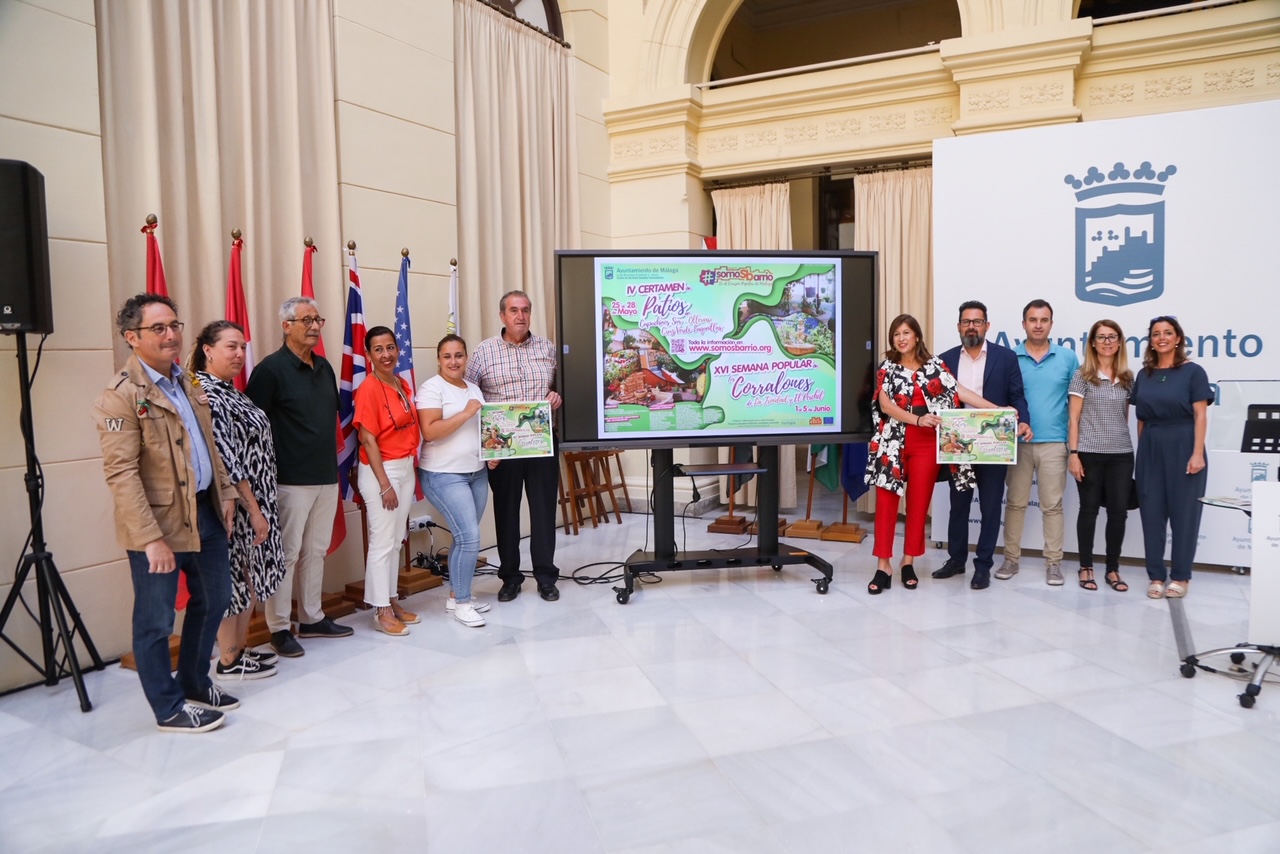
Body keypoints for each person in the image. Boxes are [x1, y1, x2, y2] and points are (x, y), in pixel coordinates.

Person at [92, 294, 239, 733]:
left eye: (174, 325)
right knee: (156, 620)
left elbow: (209, 446)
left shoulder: (187, 382)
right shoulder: (119, 397)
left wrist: (227, 492)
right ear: (132, 338)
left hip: (206, 511)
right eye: (158, 328)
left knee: (214, 598)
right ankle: (168, 707)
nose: (171, 334)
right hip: (156, 523)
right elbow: (121, 473)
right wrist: (150, 537)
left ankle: (195, 682)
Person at [245, 297, 353, 657]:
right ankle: (278, 627)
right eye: (305, 320)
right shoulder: (270, 370)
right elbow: (252, 428)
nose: (314, 326)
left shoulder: (324, 368)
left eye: (317, 319)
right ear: (285, 325)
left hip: (325, 475)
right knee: (287, 554)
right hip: (288, 481)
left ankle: (311, 616)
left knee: (316, 551)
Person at [865, 314, 994, 594]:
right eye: (896, 334)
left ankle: (908, 561)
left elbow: (960, 391)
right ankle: (882, 564)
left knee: (918, 504)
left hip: (926, 444)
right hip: (892, 443)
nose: (901, 338)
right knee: (886, 504)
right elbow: (886, 406)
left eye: (906, 333)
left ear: (917, 337)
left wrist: (997, 410)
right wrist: (918, 419)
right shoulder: (886, 368)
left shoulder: (935, 366)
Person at [189, 321, 285, 679]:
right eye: (231, 347)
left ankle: (239, 651)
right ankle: (228, 659)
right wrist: (255, 510)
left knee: (251, 577)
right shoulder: (207, 394)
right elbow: (230, 460)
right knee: (237, 579)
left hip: (258, 499)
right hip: (239, 507)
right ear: (208, 350)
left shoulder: (231, 390)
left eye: (243, 347)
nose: (240, 355)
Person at [465, 290, 562, 602]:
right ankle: (510, 578)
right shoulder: (483, 352)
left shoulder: (548, 348)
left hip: (541, 444)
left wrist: (558, 396)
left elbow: (561, 387)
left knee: (544, 511)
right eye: (514, 310)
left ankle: (546, 576)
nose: (520, 316)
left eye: (525, 310)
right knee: (506, 512)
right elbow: (468, 396)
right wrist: (483, 449)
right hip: (503, 449)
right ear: (502, 316)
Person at [935, 300, 1031, 590]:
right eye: (966, 321)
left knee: (990, 506)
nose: (971, 326)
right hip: (959, 445)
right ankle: (956, 560)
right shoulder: (945, 360)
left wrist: (1023, 421)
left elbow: (1017, 396)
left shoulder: (1005, 358)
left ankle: (983, 566)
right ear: (959, 326)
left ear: (987, 326)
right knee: (959, 505)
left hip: (993, 444)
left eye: (977, 321)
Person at [999, 300, 1079, 586]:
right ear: (1023, 324)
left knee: (1052, 506)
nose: (1038, 325)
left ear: (1051, 324)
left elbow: (1076, 407)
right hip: (1017, 442)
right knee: (1015, 504)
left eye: (1043, 320)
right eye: (1032, 319)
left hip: (1055, 444)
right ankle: (1011, 559)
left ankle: (1054, 564)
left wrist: (1073, 447)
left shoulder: (1068, 358)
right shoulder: (1009, 358)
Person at [1132, 315, 1211, 599]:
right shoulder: (1144, 374)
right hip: (1151, 445)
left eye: (1167, 333)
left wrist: (1197, 452)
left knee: (1184, 514)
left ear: (1178, 338)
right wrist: (1145, 452)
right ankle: (1155, 575)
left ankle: (1180, 576)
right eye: (1156, 334)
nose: (1161, 338)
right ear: (1151, 340)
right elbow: (1141, 417)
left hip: (1185, 443)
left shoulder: (1193, 372)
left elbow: (1201, 413)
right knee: (1151, 514)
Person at [417, 334, 493, 627]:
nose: (453, 361)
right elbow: (430, 432)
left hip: (476, 472)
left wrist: (492, 453)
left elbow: (483, 429)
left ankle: (456, 595)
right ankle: (463, 602)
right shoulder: (431, 389)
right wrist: (465, 413)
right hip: (443, 474)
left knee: (466, 537)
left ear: (466, 358)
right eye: (447, 356)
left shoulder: (473, 388)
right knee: (469, 537)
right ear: (438, 359)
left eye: (459, 355)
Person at [353, 326, 423, 635]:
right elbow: (368, 440)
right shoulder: (369, 388)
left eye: (390, 348)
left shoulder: (399, 382)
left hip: (406, 468)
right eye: (378, 349)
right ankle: (380, 610)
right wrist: (384, 484)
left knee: (396, 541)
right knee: (382, 543)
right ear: (368, 355)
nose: (386, 354)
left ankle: (391, 599)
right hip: (383, 471)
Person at [1067, 320, 1134, 594]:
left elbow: (1125, 417)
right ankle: (1085, 566)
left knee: (1118, 513)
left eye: (1112, 337)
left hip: (1121, 454)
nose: (1107, 342)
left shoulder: (1128, 377)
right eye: (1101, 337)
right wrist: (1073, 454)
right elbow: (1073, 417)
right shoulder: (1082, 376)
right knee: (1089, 511)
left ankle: (1112, 568)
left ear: (1119, 342)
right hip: (1089, 453)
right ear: (1092, 343)